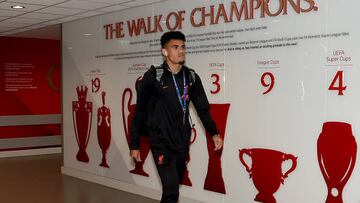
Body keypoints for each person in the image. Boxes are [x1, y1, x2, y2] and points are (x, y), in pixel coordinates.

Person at [129, 31, 223, 203]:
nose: (180, 51)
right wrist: (134, 144)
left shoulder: (191, 77)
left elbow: (203, 110)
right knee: (171, 190)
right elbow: (140, 111)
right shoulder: (154, 77)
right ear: (164, 51)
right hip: (160, 142)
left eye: (183, 47)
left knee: (172, 187)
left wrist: (214, 133)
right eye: (175, 47)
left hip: (182, 142)